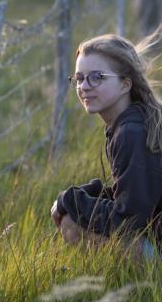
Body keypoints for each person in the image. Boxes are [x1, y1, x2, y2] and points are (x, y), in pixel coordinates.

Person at [51, 31, 162, 259]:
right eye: (79, 78)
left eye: (97, 77)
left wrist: (69, 201)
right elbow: (135, 193)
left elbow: (128, 219)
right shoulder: (132, 122)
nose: (84, 86)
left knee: (71, 223)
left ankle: (149, 276)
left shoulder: (132, 132)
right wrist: (87, 193)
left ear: (125, 84)